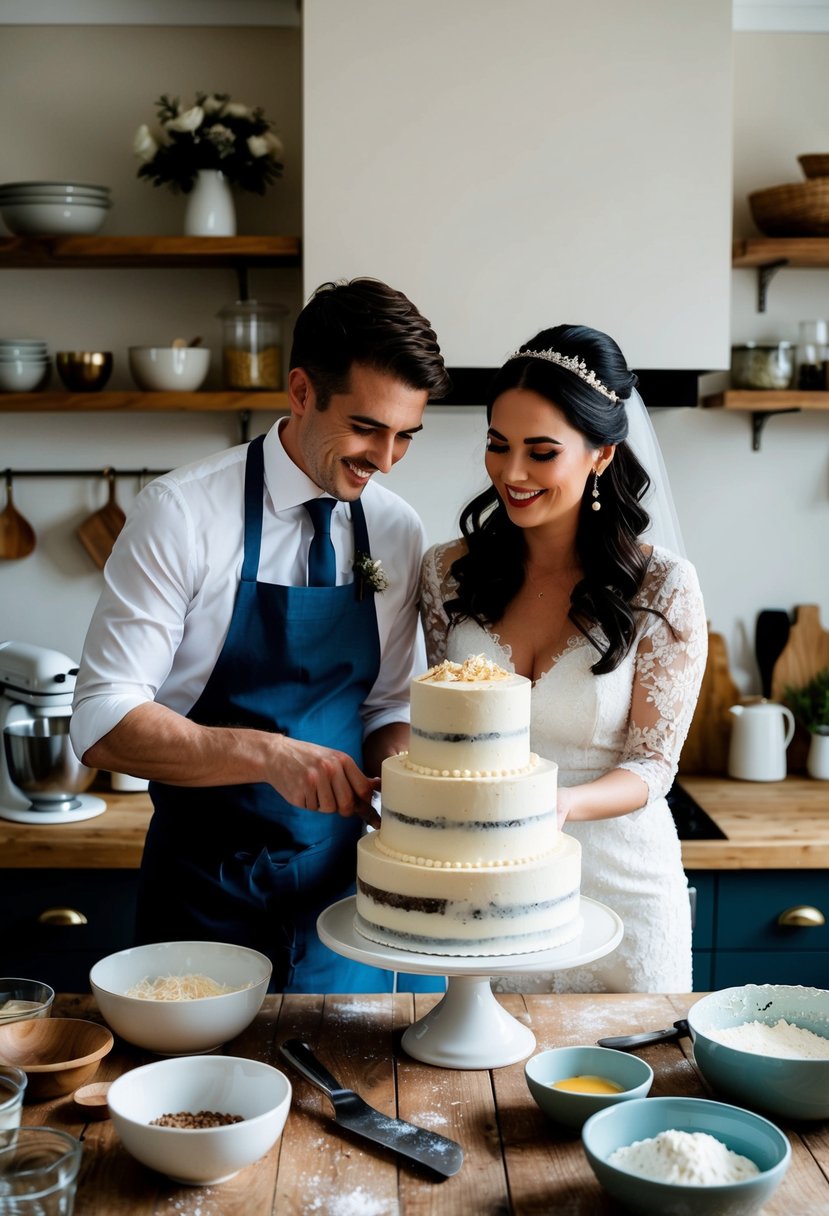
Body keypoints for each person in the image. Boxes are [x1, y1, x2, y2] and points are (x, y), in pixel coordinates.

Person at [71, 277, 451, 994]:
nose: (387, 458)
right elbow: (101, 722)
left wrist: (400, 780)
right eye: (368, 428)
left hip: (347, 908)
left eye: (406, 435)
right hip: (202, 903)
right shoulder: (181, 514)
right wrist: (266, 755)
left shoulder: (395, 527)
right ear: (301, 391)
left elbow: (388, 705)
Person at [419, 324, 707, 993]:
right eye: (497, 445)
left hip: (622, 887)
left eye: (540, 452)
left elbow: (652, 766)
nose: (510, 473)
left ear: (601, 455)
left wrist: (559, 806)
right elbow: (440, 729)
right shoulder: (445, 574)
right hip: (491, 885)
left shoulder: (663, 587)